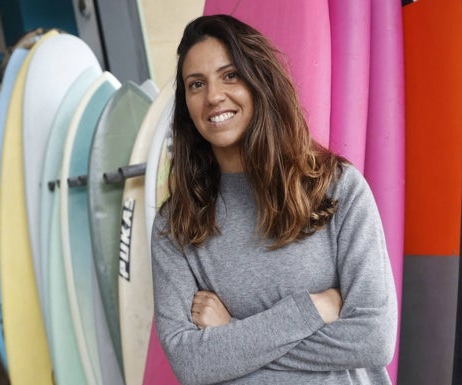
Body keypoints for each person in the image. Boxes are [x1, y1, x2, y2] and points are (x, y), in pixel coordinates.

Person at [151, 14, 398, 385]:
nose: (213, 95)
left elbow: (373, 339)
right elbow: (192, 364)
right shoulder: (177, 224)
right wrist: (313, 309)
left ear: (258, 82)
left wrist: (233, 332)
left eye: (230, 74)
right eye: (196, 84)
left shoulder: (337, 189)